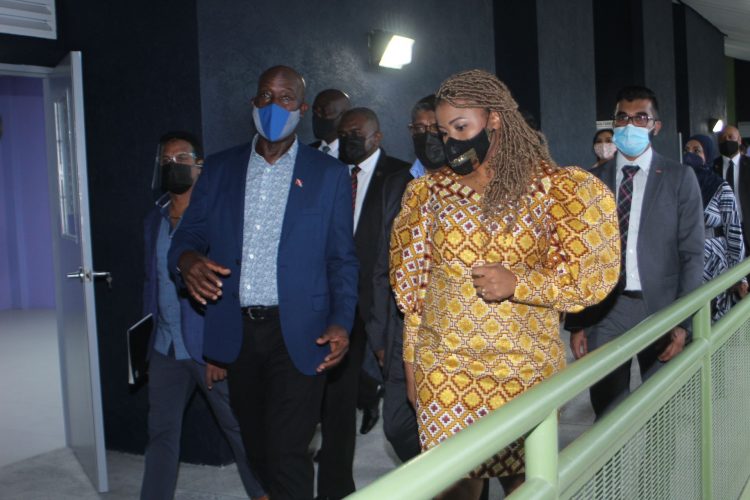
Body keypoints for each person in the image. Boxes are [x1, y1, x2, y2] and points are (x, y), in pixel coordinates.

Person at [390, 69, 620, 499]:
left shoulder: (555, 189)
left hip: (523, 367)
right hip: (445, 367)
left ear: (495, 120)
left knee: (526, 484)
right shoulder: (428, 193)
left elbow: (590, 278)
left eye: (462, 127)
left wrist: (521, 283)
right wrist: (411, 359)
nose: (451, 141)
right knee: (451, 484)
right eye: (444, 131)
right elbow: (414, 287)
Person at [167, 65, 359, 500]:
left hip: (300, 331)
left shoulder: (327, 175)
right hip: (237, 331)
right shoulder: (218, 169)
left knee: (288, 451)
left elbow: (342, 260)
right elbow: (187, 236)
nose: (274, 106)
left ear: (302, 108)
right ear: (254, 103)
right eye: (265, 97)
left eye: (285, 97)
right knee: (256, 449)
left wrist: (341, 321)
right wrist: (186, 259)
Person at [140, 132, 266, 500]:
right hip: (165, 349)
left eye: (181, 158)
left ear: (200, 166)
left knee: (239, 432)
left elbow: (233, 288)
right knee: (160, 435)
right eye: (166, 160)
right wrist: (146, 344)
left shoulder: (218, 218)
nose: (172, 165)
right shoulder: (155, 219)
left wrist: (220, 349)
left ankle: (264, 493)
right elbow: (150, 283)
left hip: (208, 350)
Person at [565, 85, 704, 418]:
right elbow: (579, 255)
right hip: (607, 314)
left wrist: (683, 323)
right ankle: (612, 472)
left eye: (640, 117)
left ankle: (651, 473)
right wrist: (577, 323)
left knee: (663, 413)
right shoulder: (591, 181)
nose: (630, 125)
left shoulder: (679, 178)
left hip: (661, 309)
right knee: (608, 414)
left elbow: (692, 254)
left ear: (655, 126)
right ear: (614, 124)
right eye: (623, 117)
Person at [315, 107, 409, 500]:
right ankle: (335, 489)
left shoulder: (401, 177)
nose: (347, 140)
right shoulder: (327, 173)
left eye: (355, 133)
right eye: (342, 133)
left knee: (401, 413)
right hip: (337, 308)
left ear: (377, 136)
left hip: (380, 307)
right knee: (335, 405)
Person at [365, 94, 445, 464]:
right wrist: (380, 336)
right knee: (398, 426)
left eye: (435, 128)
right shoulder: (396, 184)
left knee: (449, 424)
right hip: (401, 331)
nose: (426, 135)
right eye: (419, 128)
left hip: (450, 330)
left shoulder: (467, 181)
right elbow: (382, 265)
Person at [684, 134, 746, 317]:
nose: (690, 155)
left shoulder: (720, 187)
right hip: (686, 262)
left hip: (715, 263)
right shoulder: (677, 187)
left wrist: (739, 275)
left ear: (708, 155)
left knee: (714, 317)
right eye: (686, 150)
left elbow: (733, 231)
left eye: (697, 151)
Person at [714, 125, 750, 253]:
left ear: (739, 140)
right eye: (723, 138)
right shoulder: (712, 168)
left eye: (730, 137)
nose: (726, 140)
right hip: (722, 233)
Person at [310, 88, 352, 158]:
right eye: (315, 111)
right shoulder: (307, 151)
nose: (318, 116)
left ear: (344, 117)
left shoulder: (353, 156)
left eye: (324, 112)